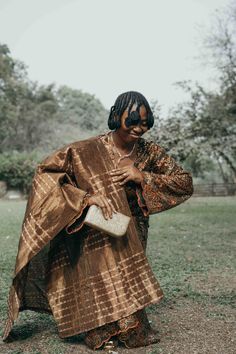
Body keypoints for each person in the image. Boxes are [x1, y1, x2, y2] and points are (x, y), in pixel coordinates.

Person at [3, 91, 193, 350]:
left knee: (127, 281)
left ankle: (128, 330)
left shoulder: (149, 152)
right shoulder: (85, 151)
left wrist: (143, 177)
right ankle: (101, 331)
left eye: (145, 122)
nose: (139, 127)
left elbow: (184, 182)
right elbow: (46, 176)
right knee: (100, 280)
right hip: (94, 228)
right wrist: (86, 198)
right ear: (116, 116)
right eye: (133, 120)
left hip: (131, 229)